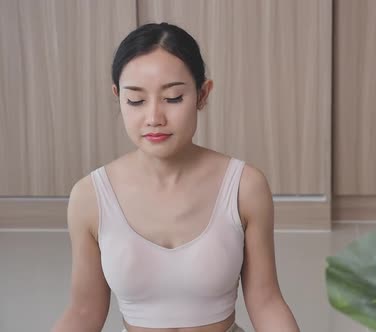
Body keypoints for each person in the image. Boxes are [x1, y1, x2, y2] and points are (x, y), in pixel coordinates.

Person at [52, 22, 300, 332]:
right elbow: (84, 311)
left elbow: (266, 302)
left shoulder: (245, 187)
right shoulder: (90, 197)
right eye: (136, 100)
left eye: (172, 98)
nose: (154, 118)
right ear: (118, 97)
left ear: (202, 94)